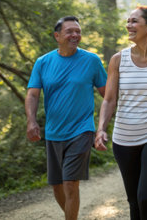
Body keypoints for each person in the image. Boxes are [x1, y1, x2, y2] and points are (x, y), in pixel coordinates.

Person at [95, 5, 147, 220]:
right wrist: (101, 129)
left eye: (134, 21)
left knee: (146, 198)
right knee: (133, 202)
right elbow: (110, 99)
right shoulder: (118, 59)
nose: (128, 25)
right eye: (128, 21)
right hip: (124, 138)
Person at [25, 16, 107, 220]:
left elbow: (108, 95)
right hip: (54, 132)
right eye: (70, 31)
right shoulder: (43, 63)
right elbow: (33, 94)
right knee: (57, 185)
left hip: (82, 130)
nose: (75, 35)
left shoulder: (92, 61)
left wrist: (103, 125)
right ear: (57, 36)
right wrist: (31, 120)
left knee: (71, 182)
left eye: (78, 31)